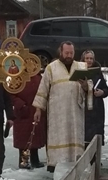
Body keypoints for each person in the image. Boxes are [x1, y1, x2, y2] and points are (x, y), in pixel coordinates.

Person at [32, 41, 89, 173]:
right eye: (66, 53)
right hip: (57, 113)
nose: (69, 55)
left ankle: (76, 165)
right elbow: (43, 89)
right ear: (61, 52)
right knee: (58, 138)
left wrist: (86, 86)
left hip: (75, 112)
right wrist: (38, 109)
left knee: (75, 138)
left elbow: (89, 89)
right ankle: (56, 165)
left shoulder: (81, 67)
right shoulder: (51, 68)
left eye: (71, 53)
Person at [10, 70, 46, 169]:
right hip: (23, 111)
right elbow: (10, 92)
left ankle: (35, 159)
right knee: (23, 136)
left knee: (35, 135)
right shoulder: (17, 74)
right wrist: (21, 104)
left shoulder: (38, 75)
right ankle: (23, 161)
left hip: (36, 109)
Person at [81, 50, 108, 148]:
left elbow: (106, 89)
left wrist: (102, 92)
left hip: (97, 108)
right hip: (84, 107)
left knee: (96, 132)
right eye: (87, 58)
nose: (89, 60)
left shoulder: (98, 72)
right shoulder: (79, 72)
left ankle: (95, 158)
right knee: (85, 133)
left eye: (91, 58)